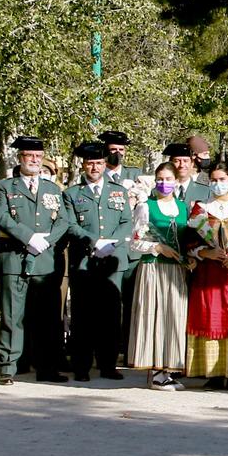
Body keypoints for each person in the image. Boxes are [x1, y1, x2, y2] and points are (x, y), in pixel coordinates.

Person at [0, 138, 75, 384]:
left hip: (44, 261)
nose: (34, 160)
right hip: (15, 260)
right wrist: (28, 237)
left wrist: (47, 240)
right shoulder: (6, 187)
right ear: (20, 158)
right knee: (12, 316)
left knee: (47, 319)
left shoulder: (52, 190)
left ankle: (46, 368)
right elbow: (0, 216)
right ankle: (7, 366)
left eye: (38, 156)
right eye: (29, 156)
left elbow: (63, 221)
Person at [62, 139, 136, 382]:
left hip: (113, 261)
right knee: (83, 316)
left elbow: (127, 222)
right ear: (83, 165)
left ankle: (108, 364)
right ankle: (82, 365)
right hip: (84, 261)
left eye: (99, 163)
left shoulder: (119, 191)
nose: (95, 168)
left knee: (111, 316)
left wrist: (111, 243)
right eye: (90, 163)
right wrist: (94, 241)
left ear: (105, 164)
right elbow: (70, 225)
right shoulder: (72, 193)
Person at [186, 158, 228, 392]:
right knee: (209, 316)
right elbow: (190, 244)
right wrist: (206, 252)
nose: (218, 184)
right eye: (214, 180)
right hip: (209, 271)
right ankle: (213, 372)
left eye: (222, 180)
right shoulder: (201, 208)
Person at [128, 161, 191, 390]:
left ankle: (168, 369)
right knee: (154, 315)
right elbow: (134, 241)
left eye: (168, 179)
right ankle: (155, 371)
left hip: (176, 269)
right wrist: (157, 248)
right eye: (160, 179)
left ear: (176, 181)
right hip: (154, 268)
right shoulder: (146, 207)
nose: (164, 183)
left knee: (174, 317)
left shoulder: (184, 207)